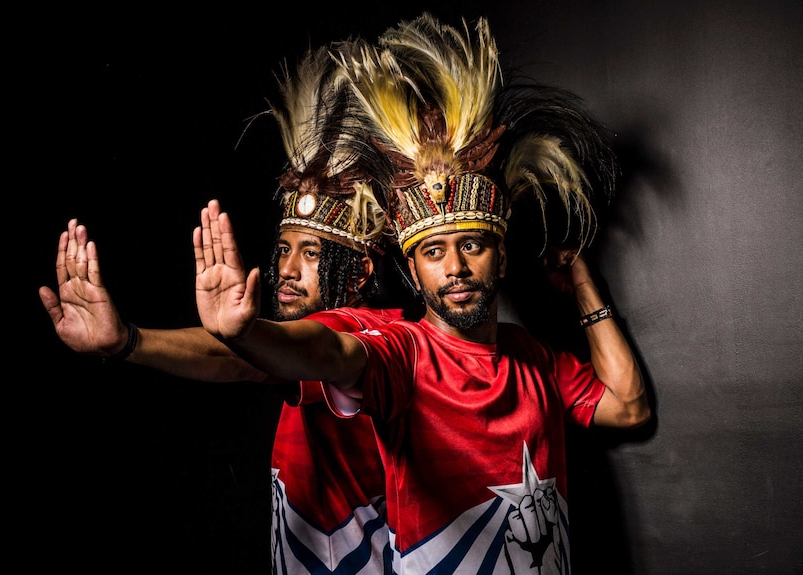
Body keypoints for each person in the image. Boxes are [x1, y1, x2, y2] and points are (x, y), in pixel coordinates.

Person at [192, 13, 650, 574]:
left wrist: (584, 287)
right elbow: (328, 354)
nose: (455, 267)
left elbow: (628, 408)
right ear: (413, 269)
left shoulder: (532, 356)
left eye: (471, 247)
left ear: (501, 256)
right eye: (434, 252)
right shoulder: (402, 352)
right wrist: (244, 332)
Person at [39, 45, 419, 573]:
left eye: (311, 254)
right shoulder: (299, 342)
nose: (286, 269)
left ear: (359, 273)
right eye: (284, 248)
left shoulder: (374, 335)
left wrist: (130, 340)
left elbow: (249, 359)